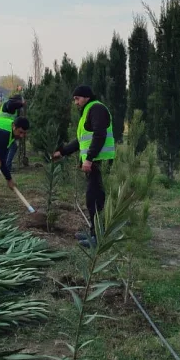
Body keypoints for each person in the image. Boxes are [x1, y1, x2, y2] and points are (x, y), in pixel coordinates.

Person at [53, 86, 115, 248]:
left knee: (94, 199)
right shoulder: (89, 110)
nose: (75, 102)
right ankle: (94, 232)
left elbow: (99, 135)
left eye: (77, 98)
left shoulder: (96, 109)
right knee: (93, 198)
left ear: (86, 97)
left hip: (99, 161)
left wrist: (89, 159)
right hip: (96, 160)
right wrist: (63, 152)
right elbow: (81, 140)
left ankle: (98, 237)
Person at [0, 94, 26, 170]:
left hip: (2, 126)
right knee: (12, 147)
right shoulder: (9, 103)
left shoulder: (8, 105)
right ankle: (6, 166)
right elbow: (11, 105)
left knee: (5, 147)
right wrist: (22, 104)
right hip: (3, 127)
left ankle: (0, 165)